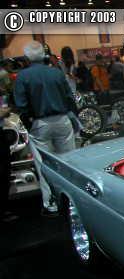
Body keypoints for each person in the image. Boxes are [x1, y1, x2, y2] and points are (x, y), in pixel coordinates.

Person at [13, 41, 77, 216]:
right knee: (68, 162)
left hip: (40, 123)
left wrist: (30, 123)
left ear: (26, 58)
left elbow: (21, 105)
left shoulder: (23, 76)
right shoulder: (56, 73)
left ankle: (51, 204)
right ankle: (73, 201)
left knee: (43, 164)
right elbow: (69, 98)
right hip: (62, 120)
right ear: (44, 55)